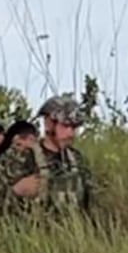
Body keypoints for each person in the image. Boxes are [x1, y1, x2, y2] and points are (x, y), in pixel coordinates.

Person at [30, 94, 96, 222]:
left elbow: (90, 207)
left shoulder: (77, 159)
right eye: (65, 126)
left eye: (74, 127)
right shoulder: (27, 158)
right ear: (48, 124)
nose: (70, 133)